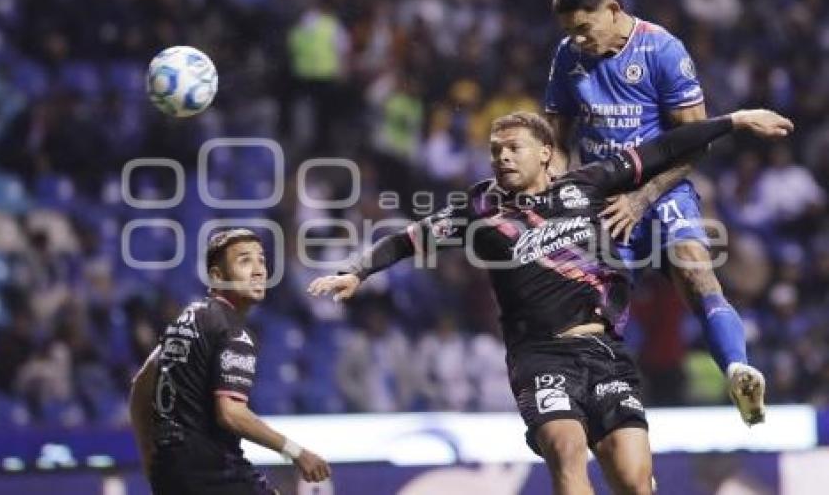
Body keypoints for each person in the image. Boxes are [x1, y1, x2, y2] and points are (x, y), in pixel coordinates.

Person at [308, 110, 792, 495]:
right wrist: (357, 270)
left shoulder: (588, 186)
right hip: (539, 354)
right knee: (566, 447)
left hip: (605, 351)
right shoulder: (480, 216)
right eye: (495, 151)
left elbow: (664, 148)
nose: (501, 158)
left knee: (632, 477)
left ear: (545, 152)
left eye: (512, 148)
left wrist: (735, 120)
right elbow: (408, 238)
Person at [544, 0, 766, 425]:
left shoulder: (662, 50)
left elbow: (696, 141)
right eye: (569, 32)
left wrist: (644, 197)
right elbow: (557, 138)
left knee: (695, 270)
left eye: (584, 28)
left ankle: (737, 369)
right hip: (604, 197)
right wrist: (559, 193)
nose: (578, 40)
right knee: (599, 309)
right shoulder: (568, 56)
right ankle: (605, 409)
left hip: (661, 187)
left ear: (613, 10)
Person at [129, 229, 331, 495]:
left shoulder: (186, 319)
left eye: (261, 260)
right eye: (245, 261)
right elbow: (230, 413)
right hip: (217, 476)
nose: (259, 271)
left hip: (172, 477)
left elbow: (140, 386)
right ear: (217, 276)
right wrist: (297, 452)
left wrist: (151, 460)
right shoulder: (232, 331)